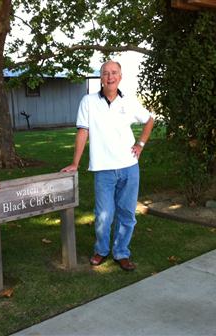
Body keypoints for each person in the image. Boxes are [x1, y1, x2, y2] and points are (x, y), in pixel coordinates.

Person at [61, 60, 154, 271]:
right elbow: (83, 132)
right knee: (104, 215)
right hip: (103, 169)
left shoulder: (129, 101)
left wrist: (140, 144)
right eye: (105, 73)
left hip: (129, 167)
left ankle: (121, 252)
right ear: (100, 77)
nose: (110, 77)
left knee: (127, 214)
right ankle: (101, 250)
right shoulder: (88, 101)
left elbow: (149, 120)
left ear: (120, 77)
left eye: (114, 73)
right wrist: (75, 162)